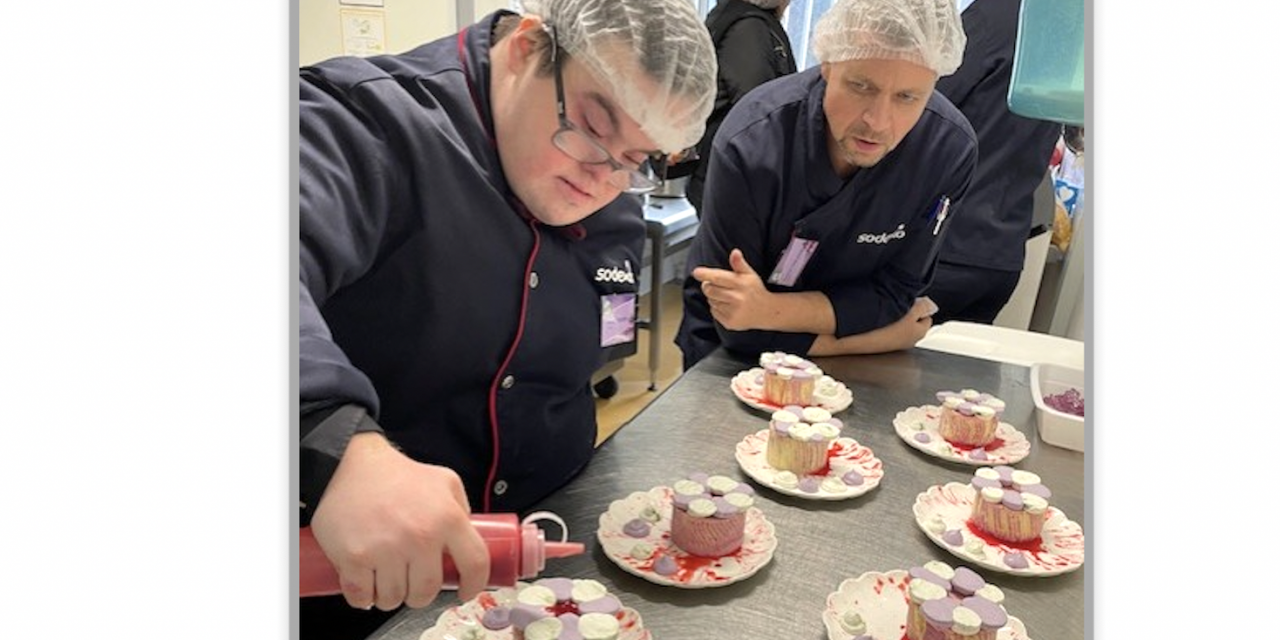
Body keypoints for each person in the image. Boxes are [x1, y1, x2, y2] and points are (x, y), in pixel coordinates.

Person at [298, 0, 715, 637]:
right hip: (361, 587)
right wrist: (334, 444)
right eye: (594, 127)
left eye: (640, 158)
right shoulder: (360, 125)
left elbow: (593, 365)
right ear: (525, 48)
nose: (605, 177)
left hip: (545, 562)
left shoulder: (618, 212)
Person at [675, 0, 976, 370]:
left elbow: (896, 293)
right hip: (728, 366)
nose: (878, 122)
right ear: (829, 65)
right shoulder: (752, 142)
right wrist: (878, 338)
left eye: (907, 97)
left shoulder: (947, 151)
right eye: (861, 85)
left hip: (858, 374)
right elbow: (736, 322)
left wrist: (769, 311)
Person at [921, 0, 1064, 325]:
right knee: (959, 371)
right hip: (1002, 254)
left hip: (946, 246)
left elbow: (922, 103)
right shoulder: (1061, 30)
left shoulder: (994, 16)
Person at [684, 0, 798, 215]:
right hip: (736, 181)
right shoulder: (749, 28)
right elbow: (758, 116)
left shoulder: (735, 16)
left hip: (727, 174)